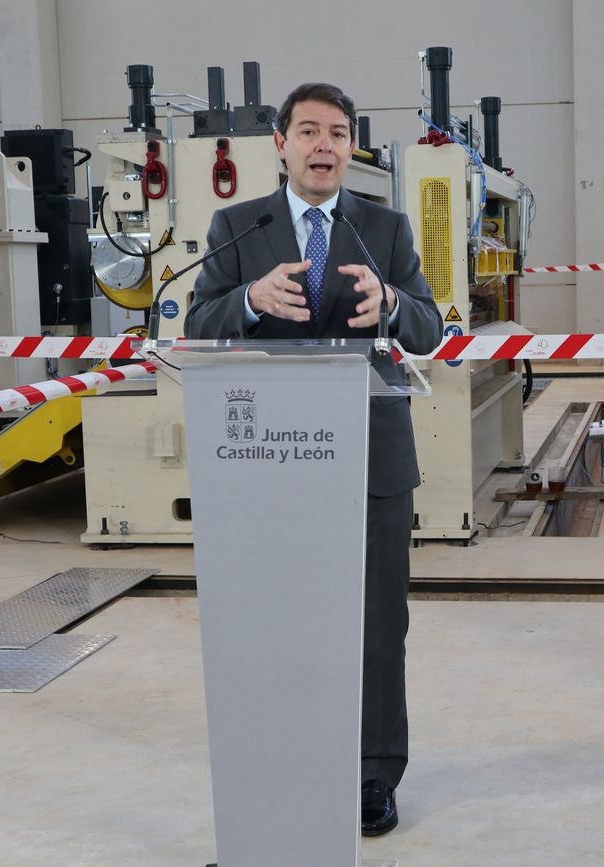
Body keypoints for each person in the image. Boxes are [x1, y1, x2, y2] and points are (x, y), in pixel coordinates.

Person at [185, 81, 443, 834]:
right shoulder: (239, 224)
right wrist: (249, 302)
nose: (323, 145)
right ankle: (285, 758)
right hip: (267, 460)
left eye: (337, 132)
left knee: (376, 622)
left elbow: (427, 328)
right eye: (308, 131)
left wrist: (392, 306)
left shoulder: (385, 227)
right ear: (282, 144)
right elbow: (199, 320)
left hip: (370, 456)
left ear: (350, 145)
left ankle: (373, 775)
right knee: (276, 618)